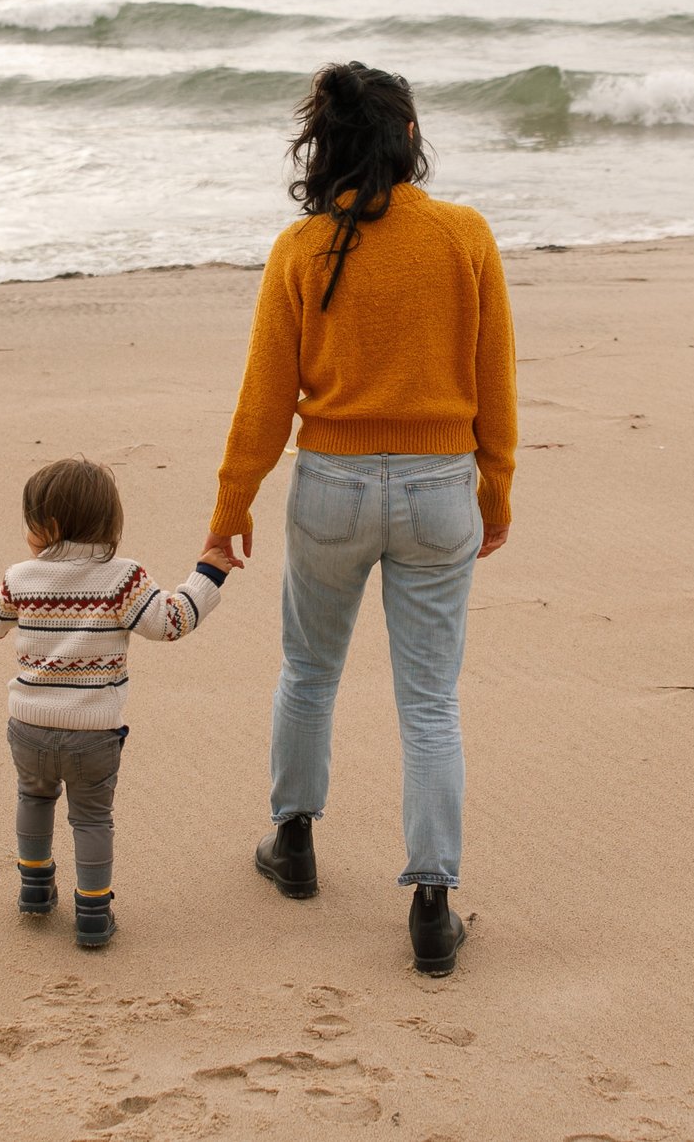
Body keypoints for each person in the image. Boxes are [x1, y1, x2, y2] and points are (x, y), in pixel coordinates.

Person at [204, 62, 516, 976]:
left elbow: (264, 398)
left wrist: (230, 509)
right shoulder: (463, 235)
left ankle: (293, 845)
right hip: (438, 490)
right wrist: (495, 487)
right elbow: (493, 376)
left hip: (331, 487)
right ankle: (431, 904)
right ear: (409, 139)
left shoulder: (302, 247)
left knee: (308, 671)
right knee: (429, 701)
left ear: (326, 144)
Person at [0, 456, 232, 950]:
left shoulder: (22, 576)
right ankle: (93, 911)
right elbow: (171, 622)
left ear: (48, 526)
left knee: (33, 797)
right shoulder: (124, 579)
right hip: (93, 733)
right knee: (92, 818)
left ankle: (34, 887)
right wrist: (208, 574)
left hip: (27, 724)